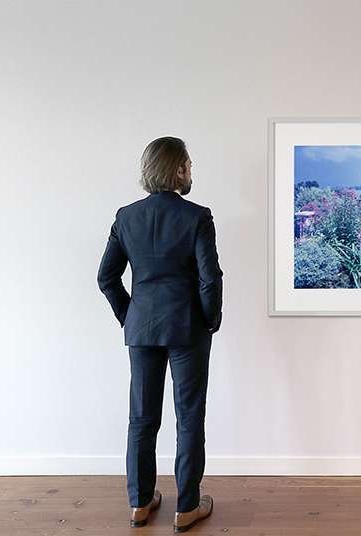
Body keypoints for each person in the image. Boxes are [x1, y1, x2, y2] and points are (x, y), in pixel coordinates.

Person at [98, 137, 223, 533]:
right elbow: (210, 278)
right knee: (188, 418)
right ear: (179, 169)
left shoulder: (126, 216)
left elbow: (106, 277)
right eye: (189, 164)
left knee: (141, 417)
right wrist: (210, 320)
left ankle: (140, 503)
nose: (192, 171)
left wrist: (129, 316)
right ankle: (186, 507)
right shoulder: (197, 216)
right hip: (187, 329)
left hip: (142, 328)